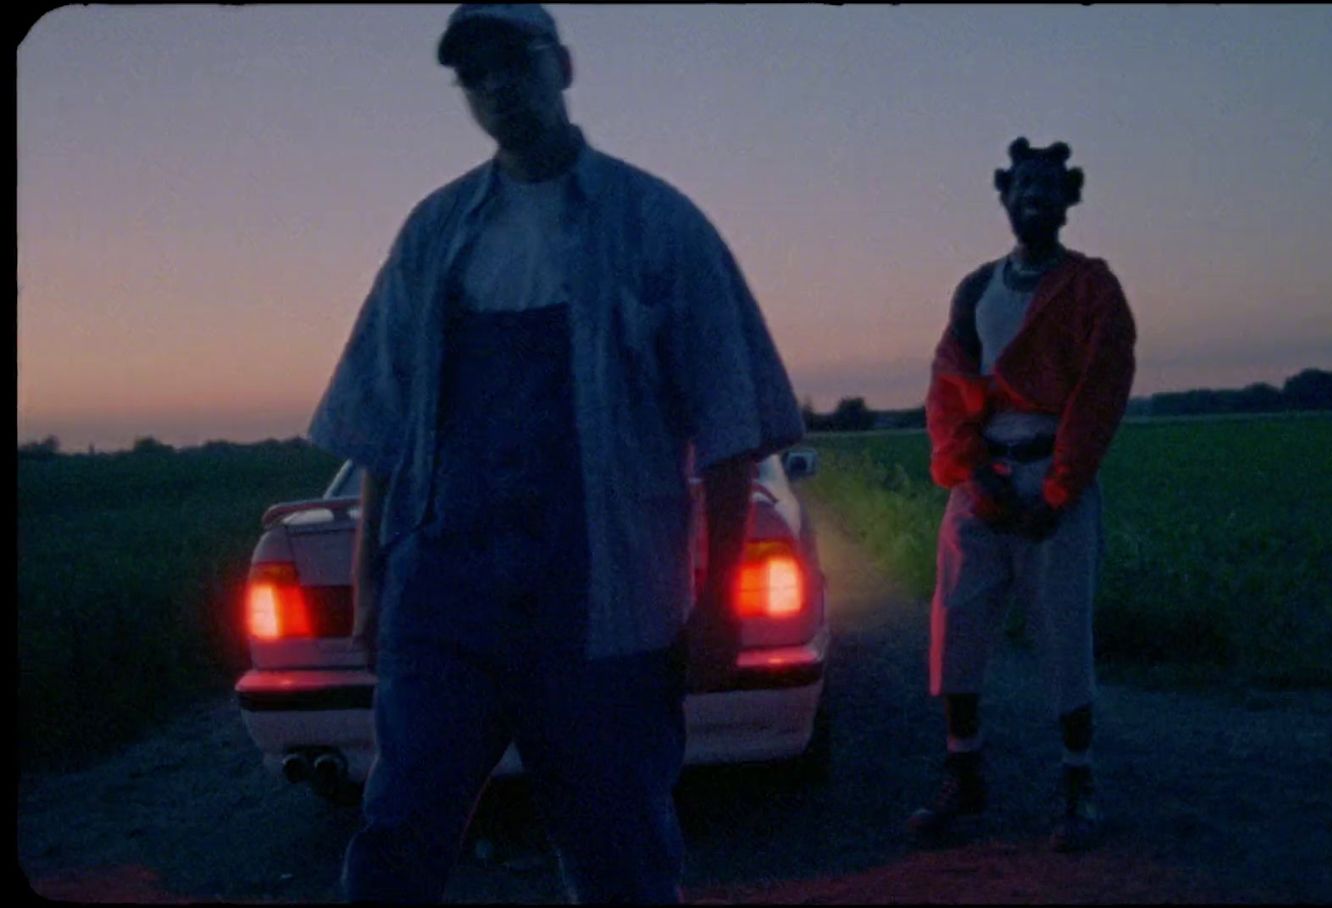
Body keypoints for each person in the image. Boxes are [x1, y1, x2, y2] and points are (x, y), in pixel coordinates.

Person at [306, 5, 804, 902]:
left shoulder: (660, 226)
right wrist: (373, 582)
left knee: (622, 857)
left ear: (564, 66)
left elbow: (732, 427)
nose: (500, 86)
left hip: (604, 608)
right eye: (476, 73)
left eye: (517, 62)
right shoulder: (435, 233)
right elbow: (381, 420)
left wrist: (721, 607)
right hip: (444, 601)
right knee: (397, 839)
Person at [910, 137, 1136, 852]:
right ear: (1004, 195)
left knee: (1066, 634)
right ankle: (963, 774)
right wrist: (972, 476)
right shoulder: (976, 288)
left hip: (1053, 482)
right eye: (1023, 183)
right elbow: (949, 387)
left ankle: (1078, 784)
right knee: (958, 624)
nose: (1035, 194)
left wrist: (1059, 491)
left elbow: (1100, 393)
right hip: (982, 482)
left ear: (1070, 200)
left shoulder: (1094, 287)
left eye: (1050, 185)